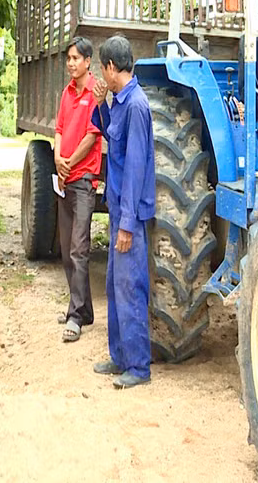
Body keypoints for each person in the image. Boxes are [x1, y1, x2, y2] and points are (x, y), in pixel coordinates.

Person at [90, 36, 155, 389]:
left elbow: (133, 169)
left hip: (128, 213)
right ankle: (120, 357)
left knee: (130, 288)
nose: (103, 74)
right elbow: (111, 136)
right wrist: (102, 104)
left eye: (103, 68)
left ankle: (139, 368)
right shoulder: (120, 102)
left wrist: (127, 225)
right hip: (118, 208)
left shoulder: (137, 106)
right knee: (116, 286)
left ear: (112, 68)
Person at [54, 37, 102, 343]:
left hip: (84, 179)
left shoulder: (95, 92)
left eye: (76, 58)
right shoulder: (67, 92)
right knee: (66, 251)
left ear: (88, 62)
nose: (71, 63)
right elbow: (59, 129)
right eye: (68, 58)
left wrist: (70, 162)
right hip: (65, 177)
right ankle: (82, 309)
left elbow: (92, 135)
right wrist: (58, 159)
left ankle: (75, 317)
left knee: (79, 248)